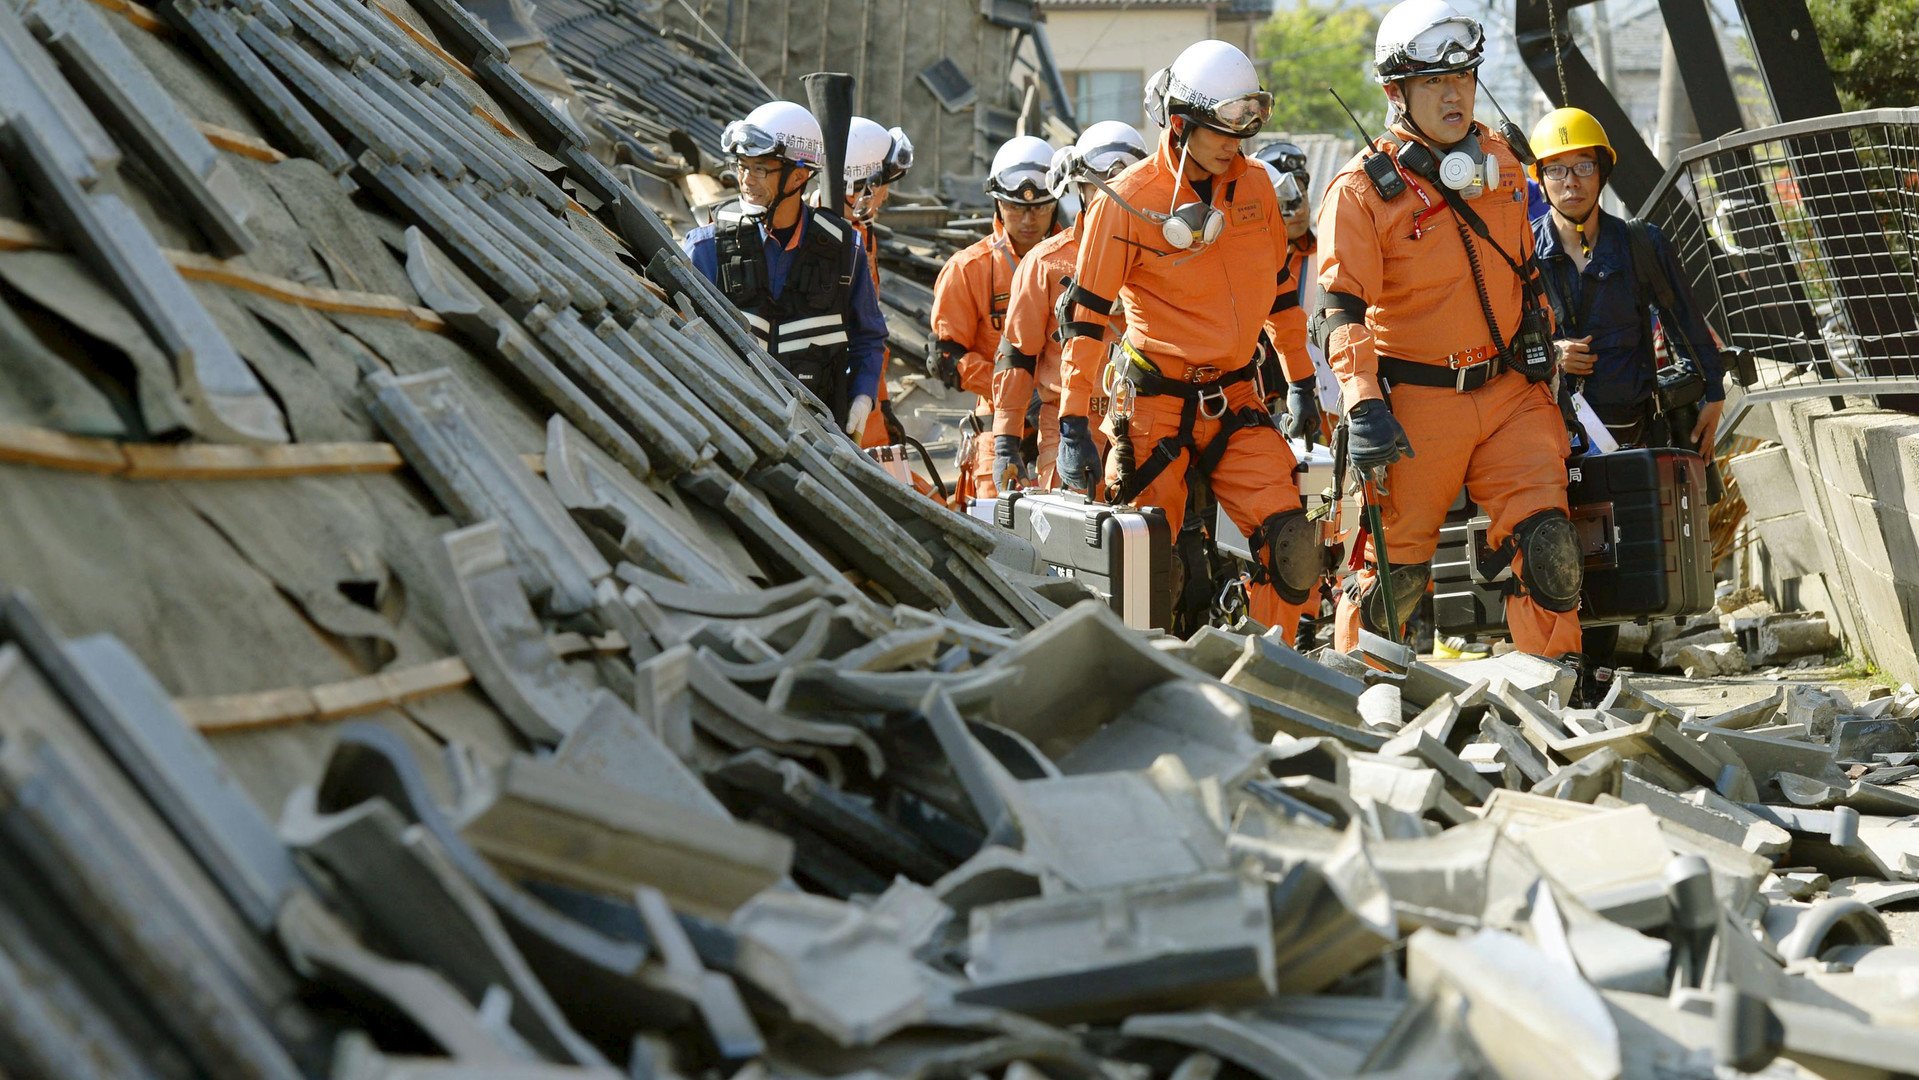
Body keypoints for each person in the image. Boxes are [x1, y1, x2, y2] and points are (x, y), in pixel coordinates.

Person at [1312, 0, 1583, 659]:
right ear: (1394, 92)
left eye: (1462, 76)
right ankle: (1360, 694)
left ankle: (1558, 690)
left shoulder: (1501, 161)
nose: (1454, 94)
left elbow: (1526, 272)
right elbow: (1339, 310)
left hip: (1510, 392)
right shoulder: (1359, 191)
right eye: (1433, 81)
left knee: (1548, 545)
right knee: (1393, 573)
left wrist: (1545, 357)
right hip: (1416, 404)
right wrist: (1362, 404)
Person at [1054, 39, 1322, 620]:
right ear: (1179, 125)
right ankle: (1148, 668)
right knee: (1146, 570)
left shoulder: (1257, 188)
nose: (1234, 145)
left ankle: (1267, 662)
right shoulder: (1127, 202)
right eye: (1222, 131)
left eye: (1244, 131)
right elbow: (1087, 318)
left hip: (1236, 398)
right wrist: (1073, 421)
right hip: (1153, 407)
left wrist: (1301, 380)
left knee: (1294, 548)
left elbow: (1280, 293)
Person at [683, 101, 887, 439]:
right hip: (731, 433)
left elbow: (868, 336)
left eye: (760, 169)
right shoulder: (706, 248)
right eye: (742, 166)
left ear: (798, 175)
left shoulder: (845, 251)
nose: (746, 179)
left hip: (819, 439)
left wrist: (863, 397)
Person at [1529, 106, 1726, 454]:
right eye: (1556, 169)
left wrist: (1714, 394)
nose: (1571, 181)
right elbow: (1501, 342)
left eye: (1584, 166)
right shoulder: (1521, 253)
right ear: (1542, 181)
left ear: (1602, 172)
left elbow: (1686, 323)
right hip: (1549, 437)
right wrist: (1553, 354)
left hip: (1634, 436)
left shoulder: (1641, 243)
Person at [991, 122, 1149, 489]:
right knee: (1072, 522)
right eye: (1099, 188)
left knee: (1153, 522)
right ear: (1080, 189)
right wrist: (1006, 444)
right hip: (1068, 425)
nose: (1112, 200)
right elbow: (1017, 356)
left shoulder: (1167, 259)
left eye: (1124, 187)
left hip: (1149, 420)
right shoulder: (1046, 263)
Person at [932, 135, 1060, 499]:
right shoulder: (968, 269)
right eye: (1016, 207)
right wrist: (1020, 393)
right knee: (997, 527)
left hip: (1068, 428)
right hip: (998, 435)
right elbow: (946, 357)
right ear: (998, 203)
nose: (1028, 219)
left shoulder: (1079, 261)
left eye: (1040, 208)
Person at [842, 116, 913, 448]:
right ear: (862, 185)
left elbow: (869, 333)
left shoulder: (862, 234)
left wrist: (881, 402)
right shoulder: (819, 237)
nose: (885, 197)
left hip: (863, 391)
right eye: (884, 185)